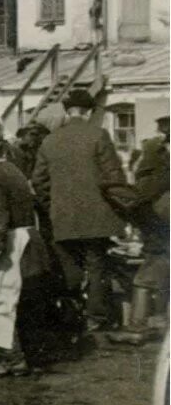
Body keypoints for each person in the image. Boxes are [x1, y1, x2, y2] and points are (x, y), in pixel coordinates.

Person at [31, 89, 131, 331]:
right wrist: (123, 212)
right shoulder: (99, 135)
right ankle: (94, 318)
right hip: (97, 217)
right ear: (89, 111)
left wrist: (52, 205)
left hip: (62, 217)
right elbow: (114, 177)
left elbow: (39, 181)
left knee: (69, 266)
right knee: (96, 265)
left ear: (67, 111)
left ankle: (69, 315)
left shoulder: (50, 140)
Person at [0, 119, 54, 376]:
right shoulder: (13, 170)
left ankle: (11, 358)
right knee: (17, 303)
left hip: (10, 245)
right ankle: (21, 355)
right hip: (28, 239)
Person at [129, 115, 170, 331]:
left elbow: (144, 187)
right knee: (158, 266)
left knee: (153, 268)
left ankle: (140, 323)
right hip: (159, 219)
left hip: (158, 218)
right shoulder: (155, 152)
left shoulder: (154, 152)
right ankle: (153, 319)